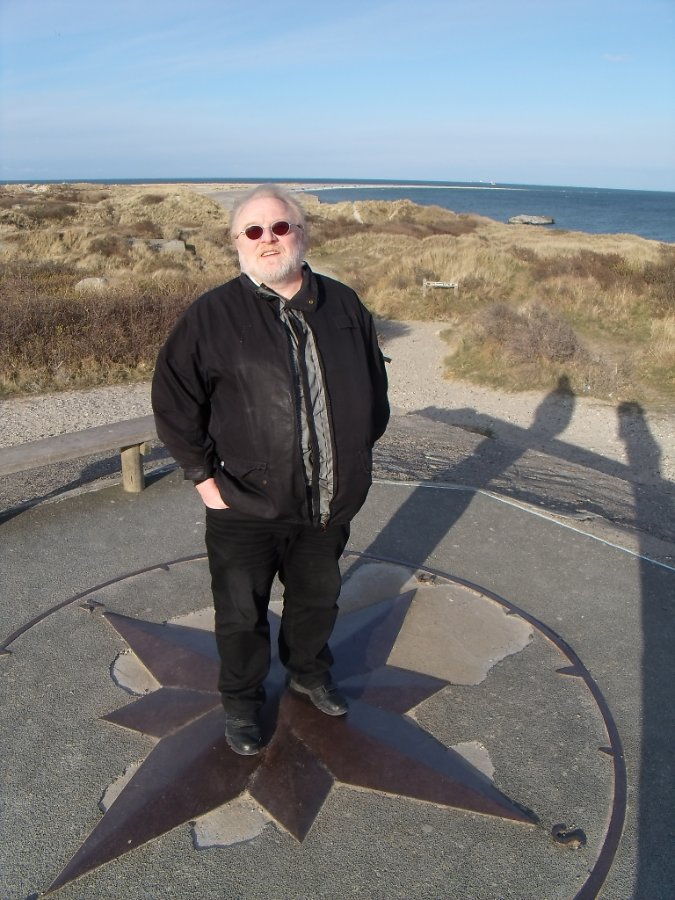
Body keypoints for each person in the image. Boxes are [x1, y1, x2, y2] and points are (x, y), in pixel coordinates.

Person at [151, 185, 389, 755]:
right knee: (240, 616)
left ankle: (308, 673)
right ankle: (241, 701)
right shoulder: (211, 315)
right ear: (237, 242)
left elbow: (374, 394)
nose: (268, 239)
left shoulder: (343, 305)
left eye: (280, 227)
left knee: (317, 602)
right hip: (244, 503)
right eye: (253, 231)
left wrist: (353, 457)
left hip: (327, 501)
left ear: (301, 234)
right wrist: (205, 481)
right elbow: (175, 402)